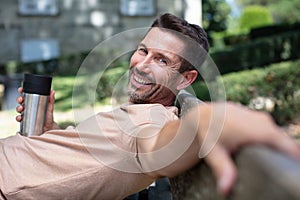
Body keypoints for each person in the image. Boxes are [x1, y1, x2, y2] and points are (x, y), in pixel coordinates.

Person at [1, 13, 299, 200]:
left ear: (186, 79)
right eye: (143, 51)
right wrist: (50, 130)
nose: (141, 65)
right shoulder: (135, 112)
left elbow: (157, 146)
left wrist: (206, 119)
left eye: (161, 60)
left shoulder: (153, 121)